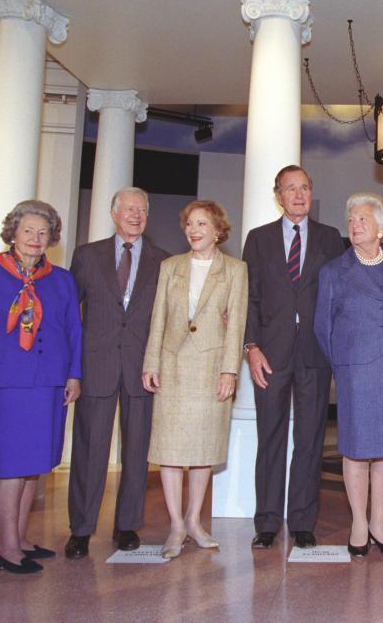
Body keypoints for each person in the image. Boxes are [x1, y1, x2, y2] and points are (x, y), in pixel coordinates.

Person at [0, 200, 82, 575]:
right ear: (13, 234)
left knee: (34, 465)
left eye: (43, 233)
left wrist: (74, 375)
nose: (36, 239)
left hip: (52, 383)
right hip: (9, 382)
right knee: (11, 466)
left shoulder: (62, 279)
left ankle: (20, 538)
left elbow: (74, 331)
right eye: (28, 231)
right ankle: (5, 549)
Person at [315, 193, 383, 558]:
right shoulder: (334, 271)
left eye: (363, 218)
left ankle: (379, 522)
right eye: (351, 219)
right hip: (356, 371)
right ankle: (358, 524)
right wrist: (344, 364)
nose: (355, 223)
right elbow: (322, 327)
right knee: (357, 449)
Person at [242, 165, 345, 549]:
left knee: (310, 439)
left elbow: (338, 298)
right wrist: (251, 348)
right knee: (270, 437)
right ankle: (267, 521)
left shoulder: (331, 238)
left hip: (315, 354)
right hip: (270, 354)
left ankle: (303, 520)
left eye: (304, 187)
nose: (299, 195)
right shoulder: (258, 239)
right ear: (278, 195)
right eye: (291, 189)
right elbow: (248, 299)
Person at [65, 187, 169, 560]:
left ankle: (127, 525)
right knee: (89, 451)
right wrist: (70, 369)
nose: (136, 216)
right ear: (114, 214)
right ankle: (80, 529)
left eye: (142, 210)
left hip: (143, 369)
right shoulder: (87, 256)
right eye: (129, 209)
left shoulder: (164, 261)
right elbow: (68, 316)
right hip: (97, 367)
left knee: (137, 452)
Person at [141, 200, 247, 559]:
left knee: (204, 450)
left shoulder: (235, 270)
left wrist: (229, 370)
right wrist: (150, 361)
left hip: (210, 368)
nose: (194, 230)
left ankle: (194, 522)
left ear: (218, 231)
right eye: (190, 224)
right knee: (170, 451)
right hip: (172, 366)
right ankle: (175, 526)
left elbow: (237, 326)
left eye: (202, 224)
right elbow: (158, 317)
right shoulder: (170, 267)